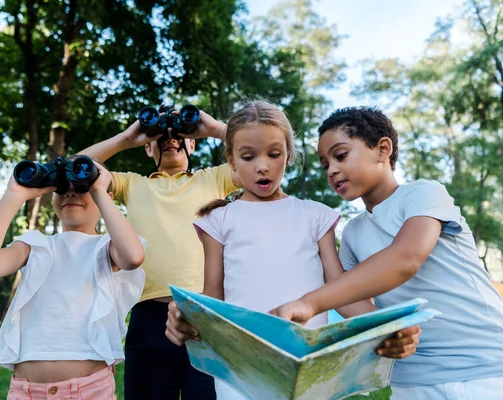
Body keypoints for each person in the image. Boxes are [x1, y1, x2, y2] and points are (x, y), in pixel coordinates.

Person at [164, 101, 421, 400]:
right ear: (231, 161)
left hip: (308, 367)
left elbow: (342, 293)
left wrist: (391, 325)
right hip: (241, 371)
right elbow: (213, 296)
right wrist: (186, 313)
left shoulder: (316, 216)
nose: (263, 166)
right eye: (248, 156)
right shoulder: (218, 219)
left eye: (274, 154)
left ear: (289, 155)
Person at [270, 106, 503, 400]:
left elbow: (405, 258)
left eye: (340, 155)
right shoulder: (353, 232)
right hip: (412, 379)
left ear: (383, 149)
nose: (331, 170)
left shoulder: (423, 193)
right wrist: (392, 327)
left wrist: (310, 303)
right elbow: (349, 298)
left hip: (485, 370)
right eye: (325, 164)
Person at [79, 106, 241, 399]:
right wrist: (128, 138)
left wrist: (216, 128)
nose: (170, 138)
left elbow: (260, 157)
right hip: (147, 314)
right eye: (159, 135)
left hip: (205, 309)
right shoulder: (131, 183)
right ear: (146, 147)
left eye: (179, 134)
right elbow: (76, 167)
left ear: (193, 142)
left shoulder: (214, 178)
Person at [0, 159, 146, 400]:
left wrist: (100, 189)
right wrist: (14, 195)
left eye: (82, 188)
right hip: (26, 391)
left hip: (89, 390)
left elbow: (133, 257)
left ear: (105, 199)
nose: (71, 192)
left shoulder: (106, 248)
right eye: (62, 188)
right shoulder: (35, 245)